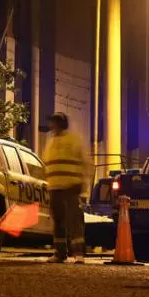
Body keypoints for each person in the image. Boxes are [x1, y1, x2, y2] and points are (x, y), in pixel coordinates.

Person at [41, 111, 91, 264]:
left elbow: (86, 163)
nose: (52, 125)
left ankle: (78, 253)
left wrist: (84, 185)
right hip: (55, 187)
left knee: (74, 219)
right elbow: (47, 165)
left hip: (71, 186)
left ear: (61, 124)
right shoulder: (51, 142)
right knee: (58, 220)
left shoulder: (74, 140)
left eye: (54, 122)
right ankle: (60, 253)